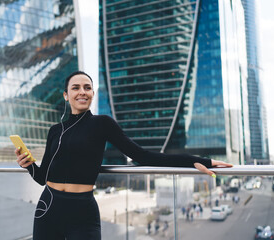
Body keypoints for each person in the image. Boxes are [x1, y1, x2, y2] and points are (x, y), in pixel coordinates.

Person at [15, 71, 233, 240]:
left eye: (87, 87)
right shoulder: (55, 130)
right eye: (76, 87)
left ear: (92, 93)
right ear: (66, 95)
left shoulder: (102, 124)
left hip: (81, 210)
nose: (82, 91)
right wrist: (29, 165)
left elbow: (143, 156)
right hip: (48, 207)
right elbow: (43, 178)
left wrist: (196, 161)